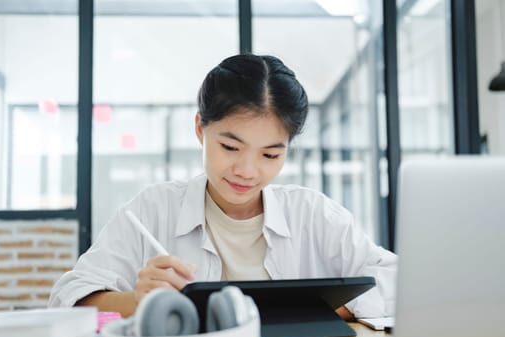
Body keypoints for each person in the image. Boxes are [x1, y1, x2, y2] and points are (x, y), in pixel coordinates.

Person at [48, 53, 397, 320]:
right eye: (230, 147)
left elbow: (396, 277)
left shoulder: (311, 213)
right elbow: (68, 296)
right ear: (201, 129)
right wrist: (137, 300)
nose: (247, 171)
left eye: (270, 154)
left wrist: (317, 313)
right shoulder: (153, 208)